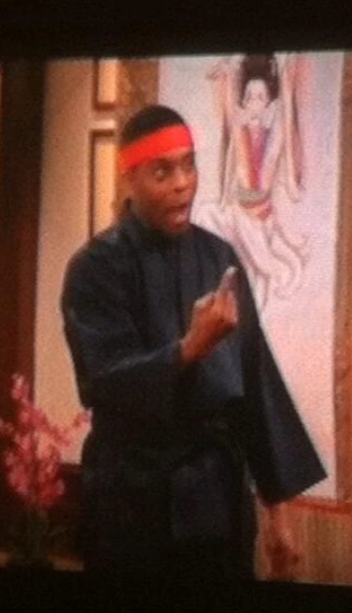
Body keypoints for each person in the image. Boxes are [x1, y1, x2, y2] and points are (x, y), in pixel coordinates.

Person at [61, 104, 326, 580]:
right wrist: (189, 349)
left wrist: (278, 515)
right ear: (129, 178)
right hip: (133, 501)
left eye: (189, 166)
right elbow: (103, 381)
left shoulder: (218, 256)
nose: (182, 183)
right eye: (163, 171)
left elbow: (256, 383)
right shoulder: (95, 268)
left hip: (217, 501)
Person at [204, 53, 309, 311]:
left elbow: (284, 114)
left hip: (259, 219)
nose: (253, 102)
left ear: (269, 104)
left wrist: (285, 79)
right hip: (239, 213)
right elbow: (231, 112)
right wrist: (230, 74)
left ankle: (251, 325)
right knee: (207, 217)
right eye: (249, 97)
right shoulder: (240, 132)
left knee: (260, 278)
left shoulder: (274, 135)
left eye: (260, 97)